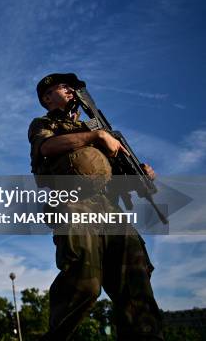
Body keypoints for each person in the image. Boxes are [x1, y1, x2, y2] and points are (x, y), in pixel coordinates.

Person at [28, 73, 164, 341]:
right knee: (84, 285)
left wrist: (139, 175)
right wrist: (95, 136)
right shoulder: (45, 123)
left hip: (110, 210)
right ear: (46, 97)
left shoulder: (96, 125)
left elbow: (114, 178)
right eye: (63, 86)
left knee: (135, 283)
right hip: (73, 205)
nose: (70, 90)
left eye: (72, 87)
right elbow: (46, 148)